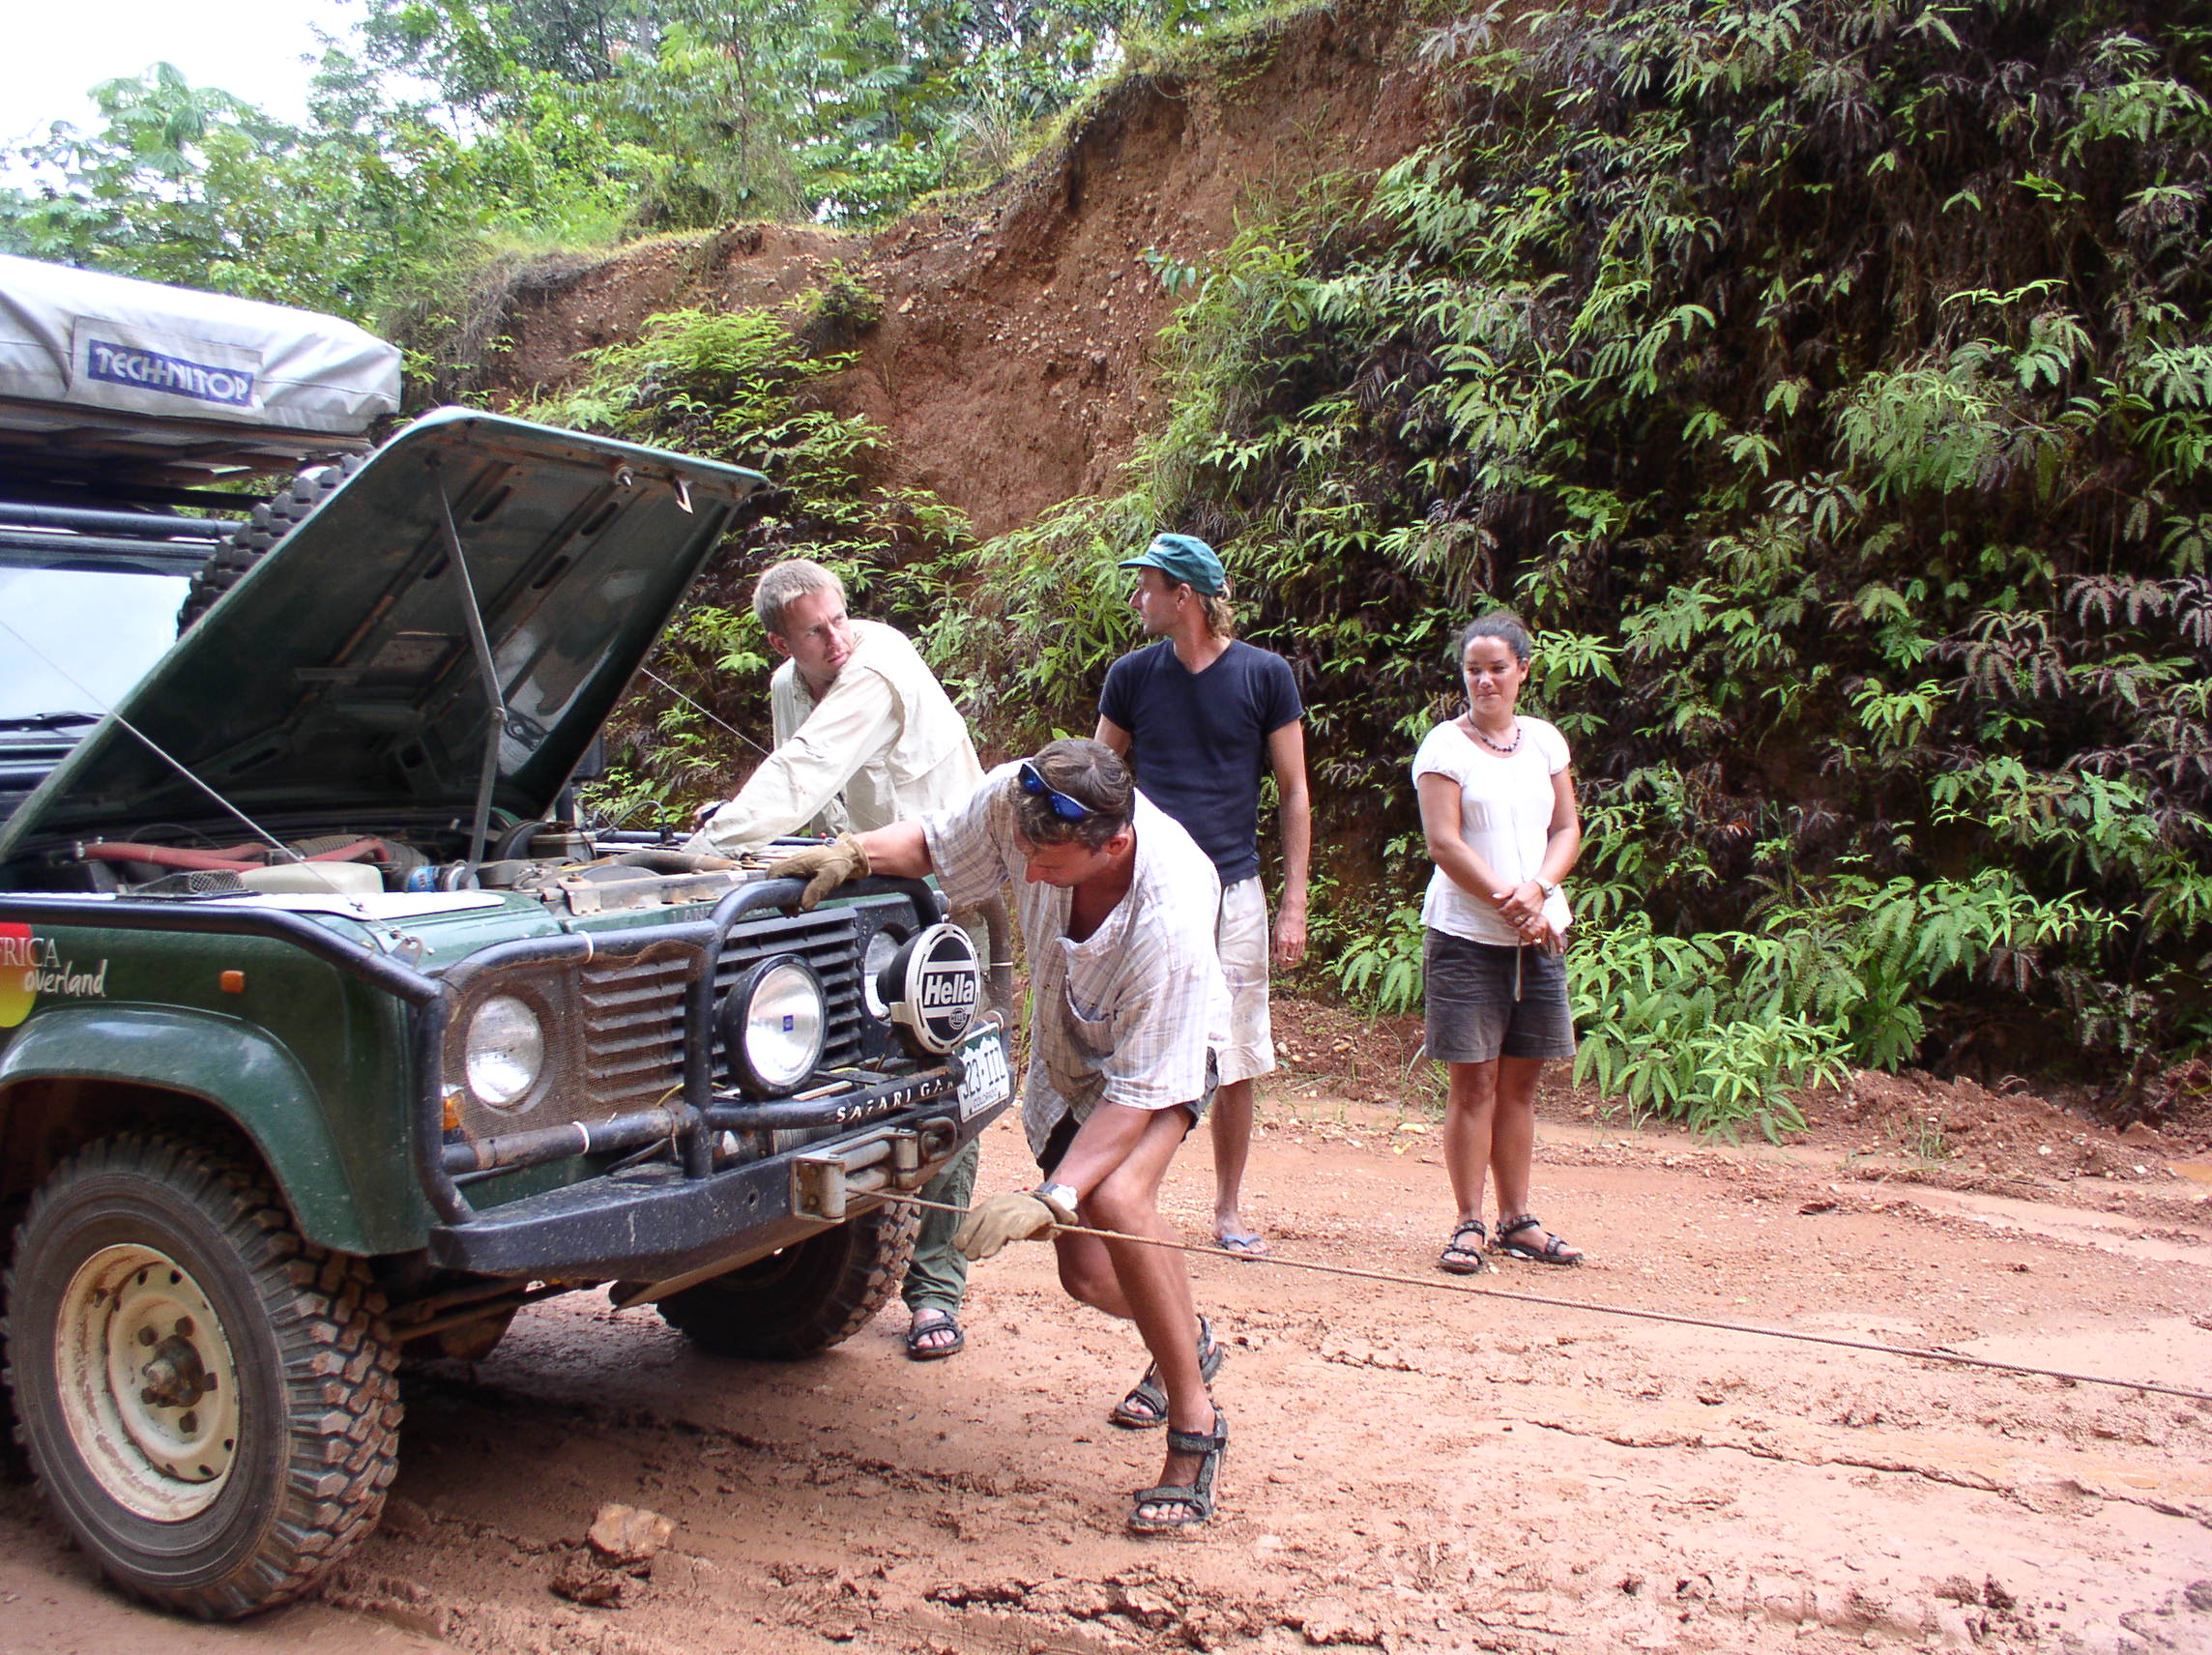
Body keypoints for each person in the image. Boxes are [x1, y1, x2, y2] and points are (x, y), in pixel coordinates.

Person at [769, 739, 1233, 1534]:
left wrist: (1051, 1194)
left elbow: (1137, 1094)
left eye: (1044, 860)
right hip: (1066, 1051)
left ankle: (1195, 1428)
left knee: (1120, 1198)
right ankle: (1186, 1335)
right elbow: (934, 844)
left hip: (1161, 1063)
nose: (1025, 864)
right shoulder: (1024, 801)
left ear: (1113, 844)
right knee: (1085, 1277)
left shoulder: (1173, 912)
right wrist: (846, 853)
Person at [688, 558, 994, 1359]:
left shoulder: (878, 661)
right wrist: (744, 834)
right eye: (816, 631)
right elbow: (807, 802)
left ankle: (936, 1290)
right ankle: (818, 1243)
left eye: (840, 618)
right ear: (779, 641)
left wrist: (706, 848)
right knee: (845, 1077)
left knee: (946, 1077)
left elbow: (801, 772)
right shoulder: (793, 686)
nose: (838, 639)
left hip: (953, 894)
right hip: (873, 901)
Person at [1095, 532, 1309, 1265]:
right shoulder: (1130, 676)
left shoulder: (1264, 675)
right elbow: (1099, 780)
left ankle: (1228, 1207)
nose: (1136, 600)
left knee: (1238, 1051)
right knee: (1133, 1040)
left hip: (1234, 889)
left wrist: (1294, 903)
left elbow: (1293, 792)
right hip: (1148, 891)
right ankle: (1125, 1197)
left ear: (1182, 596)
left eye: (1146, 586)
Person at [1412, 613, 1586, 1275]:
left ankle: (1518, 1220)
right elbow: (1444, 843)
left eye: (1497, 668)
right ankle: (1468, 1222)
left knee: (1520, 1083)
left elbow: (1566, 827)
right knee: (1473, 1082)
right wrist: (1510, 903)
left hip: (1540, 930)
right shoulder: (1443, 748)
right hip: (1465, 934)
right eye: (1473, 669)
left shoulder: (1544, 742)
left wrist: (1539, 890)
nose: (1484, 680)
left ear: (1523, 671)